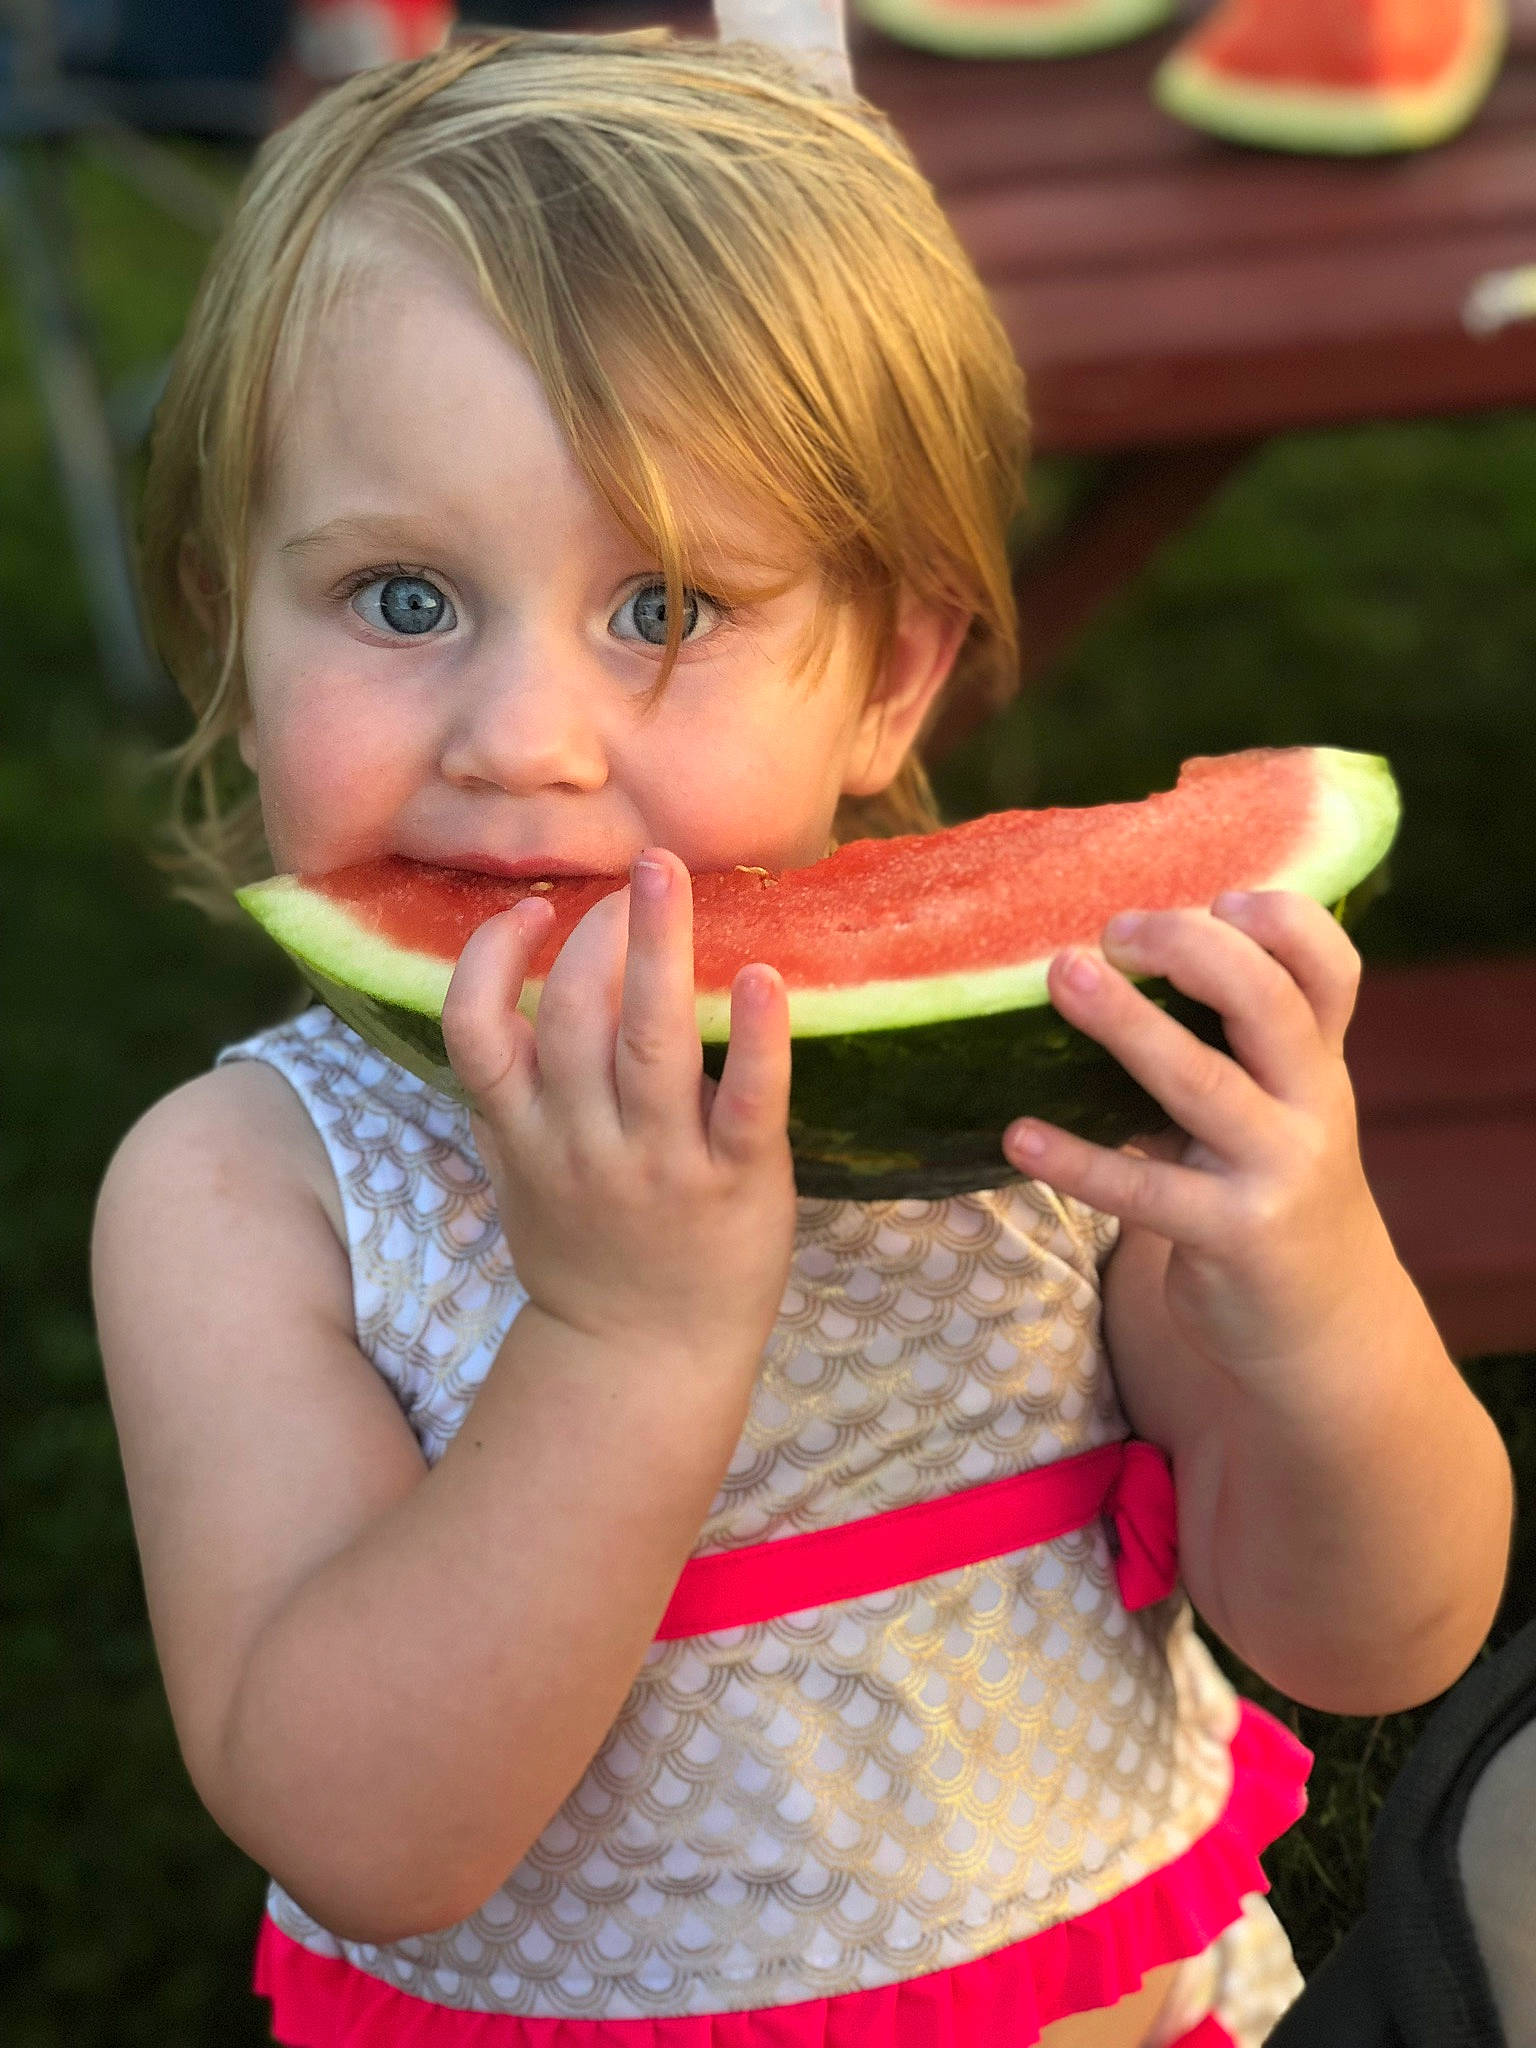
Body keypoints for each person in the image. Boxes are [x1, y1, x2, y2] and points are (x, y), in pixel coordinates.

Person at [89, 29, 1515, 2048]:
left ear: (892, 676)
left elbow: (1377, 1640)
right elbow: (366, 1831)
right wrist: (625, 1341)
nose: (523, 739)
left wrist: (1315, 1287)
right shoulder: (250, 1195)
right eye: (401, 599)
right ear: (232, 624)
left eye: (665, 608)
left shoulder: (1054, 1117)